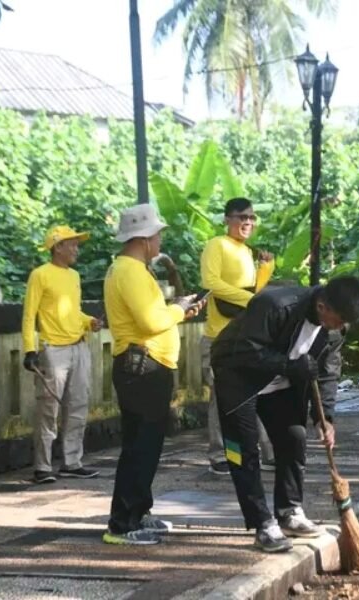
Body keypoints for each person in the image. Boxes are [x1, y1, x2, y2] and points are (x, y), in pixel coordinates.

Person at [211, 276, 359, 553]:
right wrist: (289, 365)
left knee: (294, 438)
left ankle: (289, 511)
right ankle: (262, 523)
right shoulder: (274, 305)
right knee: (243, 451)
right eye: (339, 320)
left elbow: (328, 372)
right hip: (238, 379)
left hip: (281, 384)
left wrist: (325, 418)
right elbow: (245, 351)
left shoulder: (334, 331)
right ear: (322, 306)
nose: (341, 327)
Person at [102, 204, 206, 545]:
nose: (160, 241)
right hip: (143, 367)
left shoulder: (129, 269)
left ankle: (138, 511)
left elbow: (151, 317)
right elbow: (149, 322)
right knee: (140, 447)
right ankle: (122, 524)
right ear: (145, 238)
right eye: (158, 235)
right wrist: (177, 309)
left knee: (144, 445)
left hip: (146, 365)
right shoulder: (130, 271)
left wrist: (178, 310)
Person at [200, 197, 275, 475]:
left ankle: (265, 452)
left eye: (252, 217)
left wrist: (266, 268)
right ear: (227, 220)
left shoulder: (247, 251)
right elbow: (211, 282)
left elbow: (256, 293)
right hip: (219, 336)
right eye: (242, 217)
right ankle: (218, 453)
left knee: (255, 392)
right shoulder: (216, 245)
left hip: (244, 336)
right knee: (220, 397)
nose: (248, 222)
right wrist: (248, 299)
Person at [21, 225, 101, 484]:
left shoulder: (74, 276)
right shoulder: (40, 275)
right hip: (53, 349)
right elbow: (29, 315)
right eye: (72, 244)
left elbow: (73, 310)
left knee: (78, 405)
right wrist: (29, 349)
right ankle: (42, 467)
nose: (76, 249)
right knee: (48, 408)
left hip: (79, 345)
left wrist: (89, 321)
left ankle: (72, 462)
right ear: (58, 247)